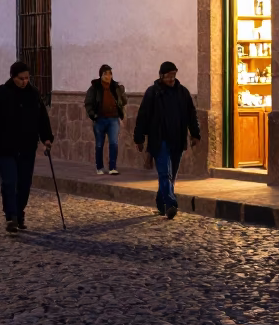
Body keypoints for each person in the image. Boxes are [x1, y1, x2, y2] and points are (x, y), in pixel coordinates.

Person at [0, 61, 54, 233]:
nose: (24, 82)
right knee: (9, 181)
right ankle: (10, 216)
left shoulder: (33, 94)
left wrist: (47, 138)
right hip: (5, 146)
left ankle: (19, 212)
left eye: (27, 78)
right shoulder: (0, 93)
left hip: (27, 146)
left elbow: (42, 117)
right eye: (21, 78)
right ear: (13, 77)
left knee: (24, 182)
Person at [134, 61, 201, 219]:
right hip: (160, 140)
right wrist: (139, 138)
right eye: (168, 76)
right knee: (165, 173)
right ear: (161, 76)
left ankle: (161, 203)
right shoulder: (153, 93)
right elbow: (143, 117)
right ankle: (171, 204)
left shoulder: (183, 93)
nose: (171, 79)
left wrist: (195, 134)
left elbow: (192, 115)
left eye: (174, 75)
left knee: (172, 175)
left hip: (177, 139)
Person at [84, 64, 127, 175]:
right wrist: (93, 115)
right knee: (99, 144)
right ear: (101, 75)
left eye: (110, 73)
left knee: (113, 143)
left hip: (113, 119)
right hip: (100, 119)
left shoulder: (115, 87)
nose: (108, 76)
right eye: (106, 73)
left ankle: (112, 167)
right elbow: (88, 103)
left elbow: (124, 101)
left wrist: (122, 93)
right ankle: (100, 167)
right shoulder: (95, 87)